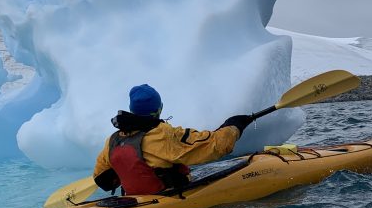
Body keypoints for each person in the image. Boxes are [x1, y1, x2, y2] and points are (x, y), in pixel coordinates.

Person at [92, 84, 254, 196]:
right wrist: (233, 127)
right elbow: (214, 146)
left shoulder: (113, 140)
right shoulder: (163, 135)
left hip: (134, 200)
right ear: (158, 110)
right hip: (169, 197)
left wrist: (129, 169)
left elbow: (102, 179)